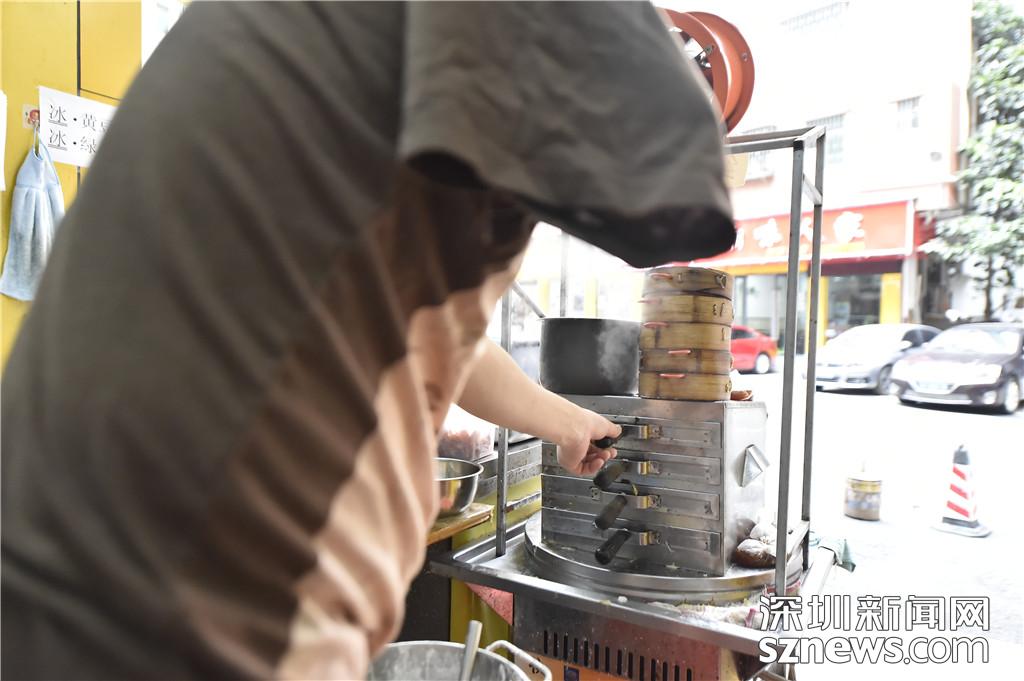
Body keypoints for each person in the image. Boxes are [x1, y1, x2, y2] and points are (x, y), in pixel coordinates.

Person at [1, 2, 734, 679]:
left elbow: (435, 329)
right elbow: (676, 190)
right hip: (211, 599)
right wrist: (678, 56)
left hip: (45, 558)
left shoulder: (306, 57)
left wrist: (566, 421)